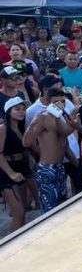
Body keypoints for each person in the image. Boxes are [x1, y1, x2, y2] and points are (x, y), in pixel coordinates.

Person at [22, 85, 73, 212]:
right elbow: (26, 142)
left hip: (59, 167)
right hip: (47, 168)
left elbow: (66, 135)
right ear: (47, 102)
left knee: (62, 208)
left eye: (62, 101)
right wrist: (33, 125)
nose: (60, 104)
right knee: (50, 211)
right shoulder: (43, 117)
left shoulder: (60, 117)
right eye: (56, 102)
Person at [0, 97, 34, 230]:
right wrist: (11, 173)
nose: (22, 112)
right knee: (18, 213)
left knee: (23, 211)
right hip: (7, 172)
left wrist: (29, 156)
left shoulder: (20, 127)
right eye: (17, 109)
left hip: (21, 168)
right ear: (9, 112)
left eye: (23, 109)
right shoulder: (3, 128)